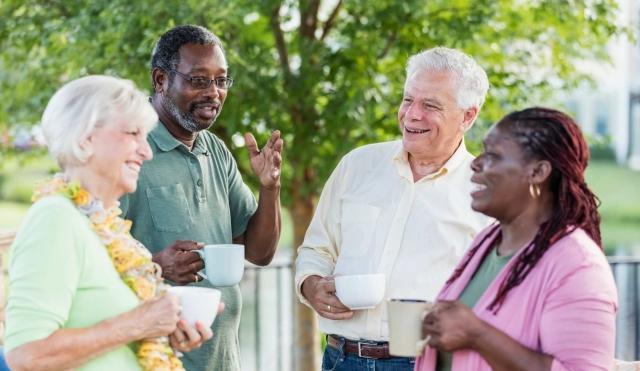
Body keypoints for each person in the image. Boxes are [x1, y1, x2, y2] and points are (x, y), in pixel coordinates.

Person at [295, 47, 493, 370]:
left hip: (429, 363)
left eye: (430, 105)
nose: (412, 114)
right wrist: (311, 284)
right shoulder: (356, 165)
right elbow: (316, 248)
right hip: (340, 359)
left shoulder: (485, 192)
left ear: (468, 115)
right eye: (407, 100)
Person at [4, 75, 214, 371]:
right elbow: (26, 356)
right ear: (86, 138)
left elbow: (111, 338)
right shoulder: (55, 218)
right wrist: (138, 324)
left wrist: (163, 334)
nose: (147, 151)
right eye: (133, 133)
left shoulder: (109, 227)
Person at [119, 25, 283, 371]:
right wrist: (155, 267)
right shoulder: (130, 149)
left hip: (222, 359)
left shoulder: (216, 151)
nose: (214, 92)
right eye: (199, 80)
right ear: (161, 79)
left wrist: (270, 188)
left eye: (221, 80)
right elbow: (90, 259)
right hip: (151, 360)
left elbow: (259, 252)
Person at [415, 107, 618, 370]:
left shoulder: (578, 265)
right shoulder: (487, 241)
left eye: (493, 155)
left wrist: (478, 334)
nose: (475, 163)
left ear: (538, 172)